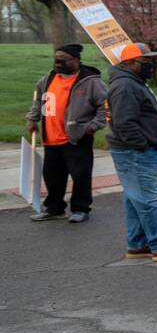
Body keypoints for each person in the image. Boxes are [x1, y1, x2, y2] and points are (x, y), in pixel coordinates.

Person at [106, 43, 157, 261]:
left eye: (153, 61)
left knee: (135, 198)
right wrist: (142, 145)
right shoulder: (126, 86)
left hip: (136, 150)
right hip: (135, 152)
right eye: (146, 62)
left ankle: (138, 244)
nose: (151, 66)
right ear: (130, 63)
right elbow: (125, 123)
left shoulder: (134, 83)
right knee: (147, 198)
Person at [25, 43, 106, 224]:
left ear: (76, 60)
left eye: (63, 60)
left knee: (80, 176)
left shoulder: (91, 81)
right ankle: (54, 209)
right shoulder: (48, 78)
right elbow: (38, 100)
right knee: (52, 177)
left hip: (77, 138)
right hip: (51, 138)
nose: (58, 63)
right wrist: (32, 118)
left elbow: (105, 107)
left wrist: (92, 127)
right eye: (56, 59)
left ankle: (80, 209)